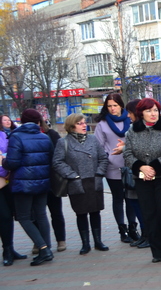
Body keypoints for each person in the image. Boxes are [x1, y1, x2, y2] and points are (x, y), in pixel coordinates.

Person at [124, 98, 161, 263]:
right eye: (149, 111)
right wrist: (141, 167)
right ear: (141, 113)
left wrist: (154, 167)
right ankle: (157, 252)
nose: (153, 114)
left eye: (155, 110)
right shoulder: (133, 131)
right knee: (149, 214)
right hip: (142, 179)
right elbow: (127, 153)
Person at [51, 113, 109, 254]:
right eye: (80, 123)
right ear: (72, 127)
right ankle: (85, 244)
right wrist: (72, 175)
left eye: (85, 122)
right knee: (81, 213)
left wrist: (99, 173)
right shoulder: (63, 142)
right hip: (77, 182)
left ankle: (98, 241)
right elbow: (57, 162)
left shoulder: (93, 139)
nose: (85, 125)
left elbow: (103, 158)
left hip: (93, 180)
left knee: (96, 212)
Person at [3, 109, 54, 266]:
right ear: (38, 121)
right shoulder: (44, 137)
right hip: (43, 181)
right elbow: (51, 159)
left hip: (23, 183)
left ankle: (43, 248)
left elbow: (13, 162)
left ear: (22, 121)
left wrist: (3, 161)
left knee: (24, 217)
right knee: (41, 214)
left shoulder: (16, 137)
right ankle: (47, 248)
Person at [94, 93, 140, 243]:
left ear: (121, 105)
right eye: (109, 106)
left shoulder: (130, 119)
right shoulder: (102, 124)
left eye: (115, 105)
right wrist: (108, 158)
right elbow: (98, 146)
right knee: (118, 197)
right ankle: (122, 230)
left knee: (131, 196)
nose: (112, 109)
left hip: (130, 163)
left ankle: (133, 228)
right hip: (112, 166)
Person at [38, 116, 67, 253]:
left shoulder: (51, 134)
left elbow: (58, 156)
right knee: (37, 213)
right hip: (36, 181)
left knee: (56, 212)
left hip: (52, 179)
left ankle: (61, 239)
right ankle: (39, 241)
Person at [1, 118, 27, 266]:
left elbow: (10, 155)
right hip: (3, 178)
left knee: (9, 215)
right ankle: (7, 251)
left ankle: (9, 248)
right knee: (3, 215)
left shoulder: (4, 135)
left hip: (8, 180)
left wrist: (7, 170)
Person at [123, 99, 148, 249]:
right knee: (134, 203)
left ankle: (148, 234)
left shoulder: (138, 130)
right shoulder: (131, 129)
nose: (128, 116)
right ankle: (144, 234)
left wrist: (124, 148)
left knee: (142, 205)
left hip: (141, 173)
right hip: (133, 173)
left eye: (130, 112)